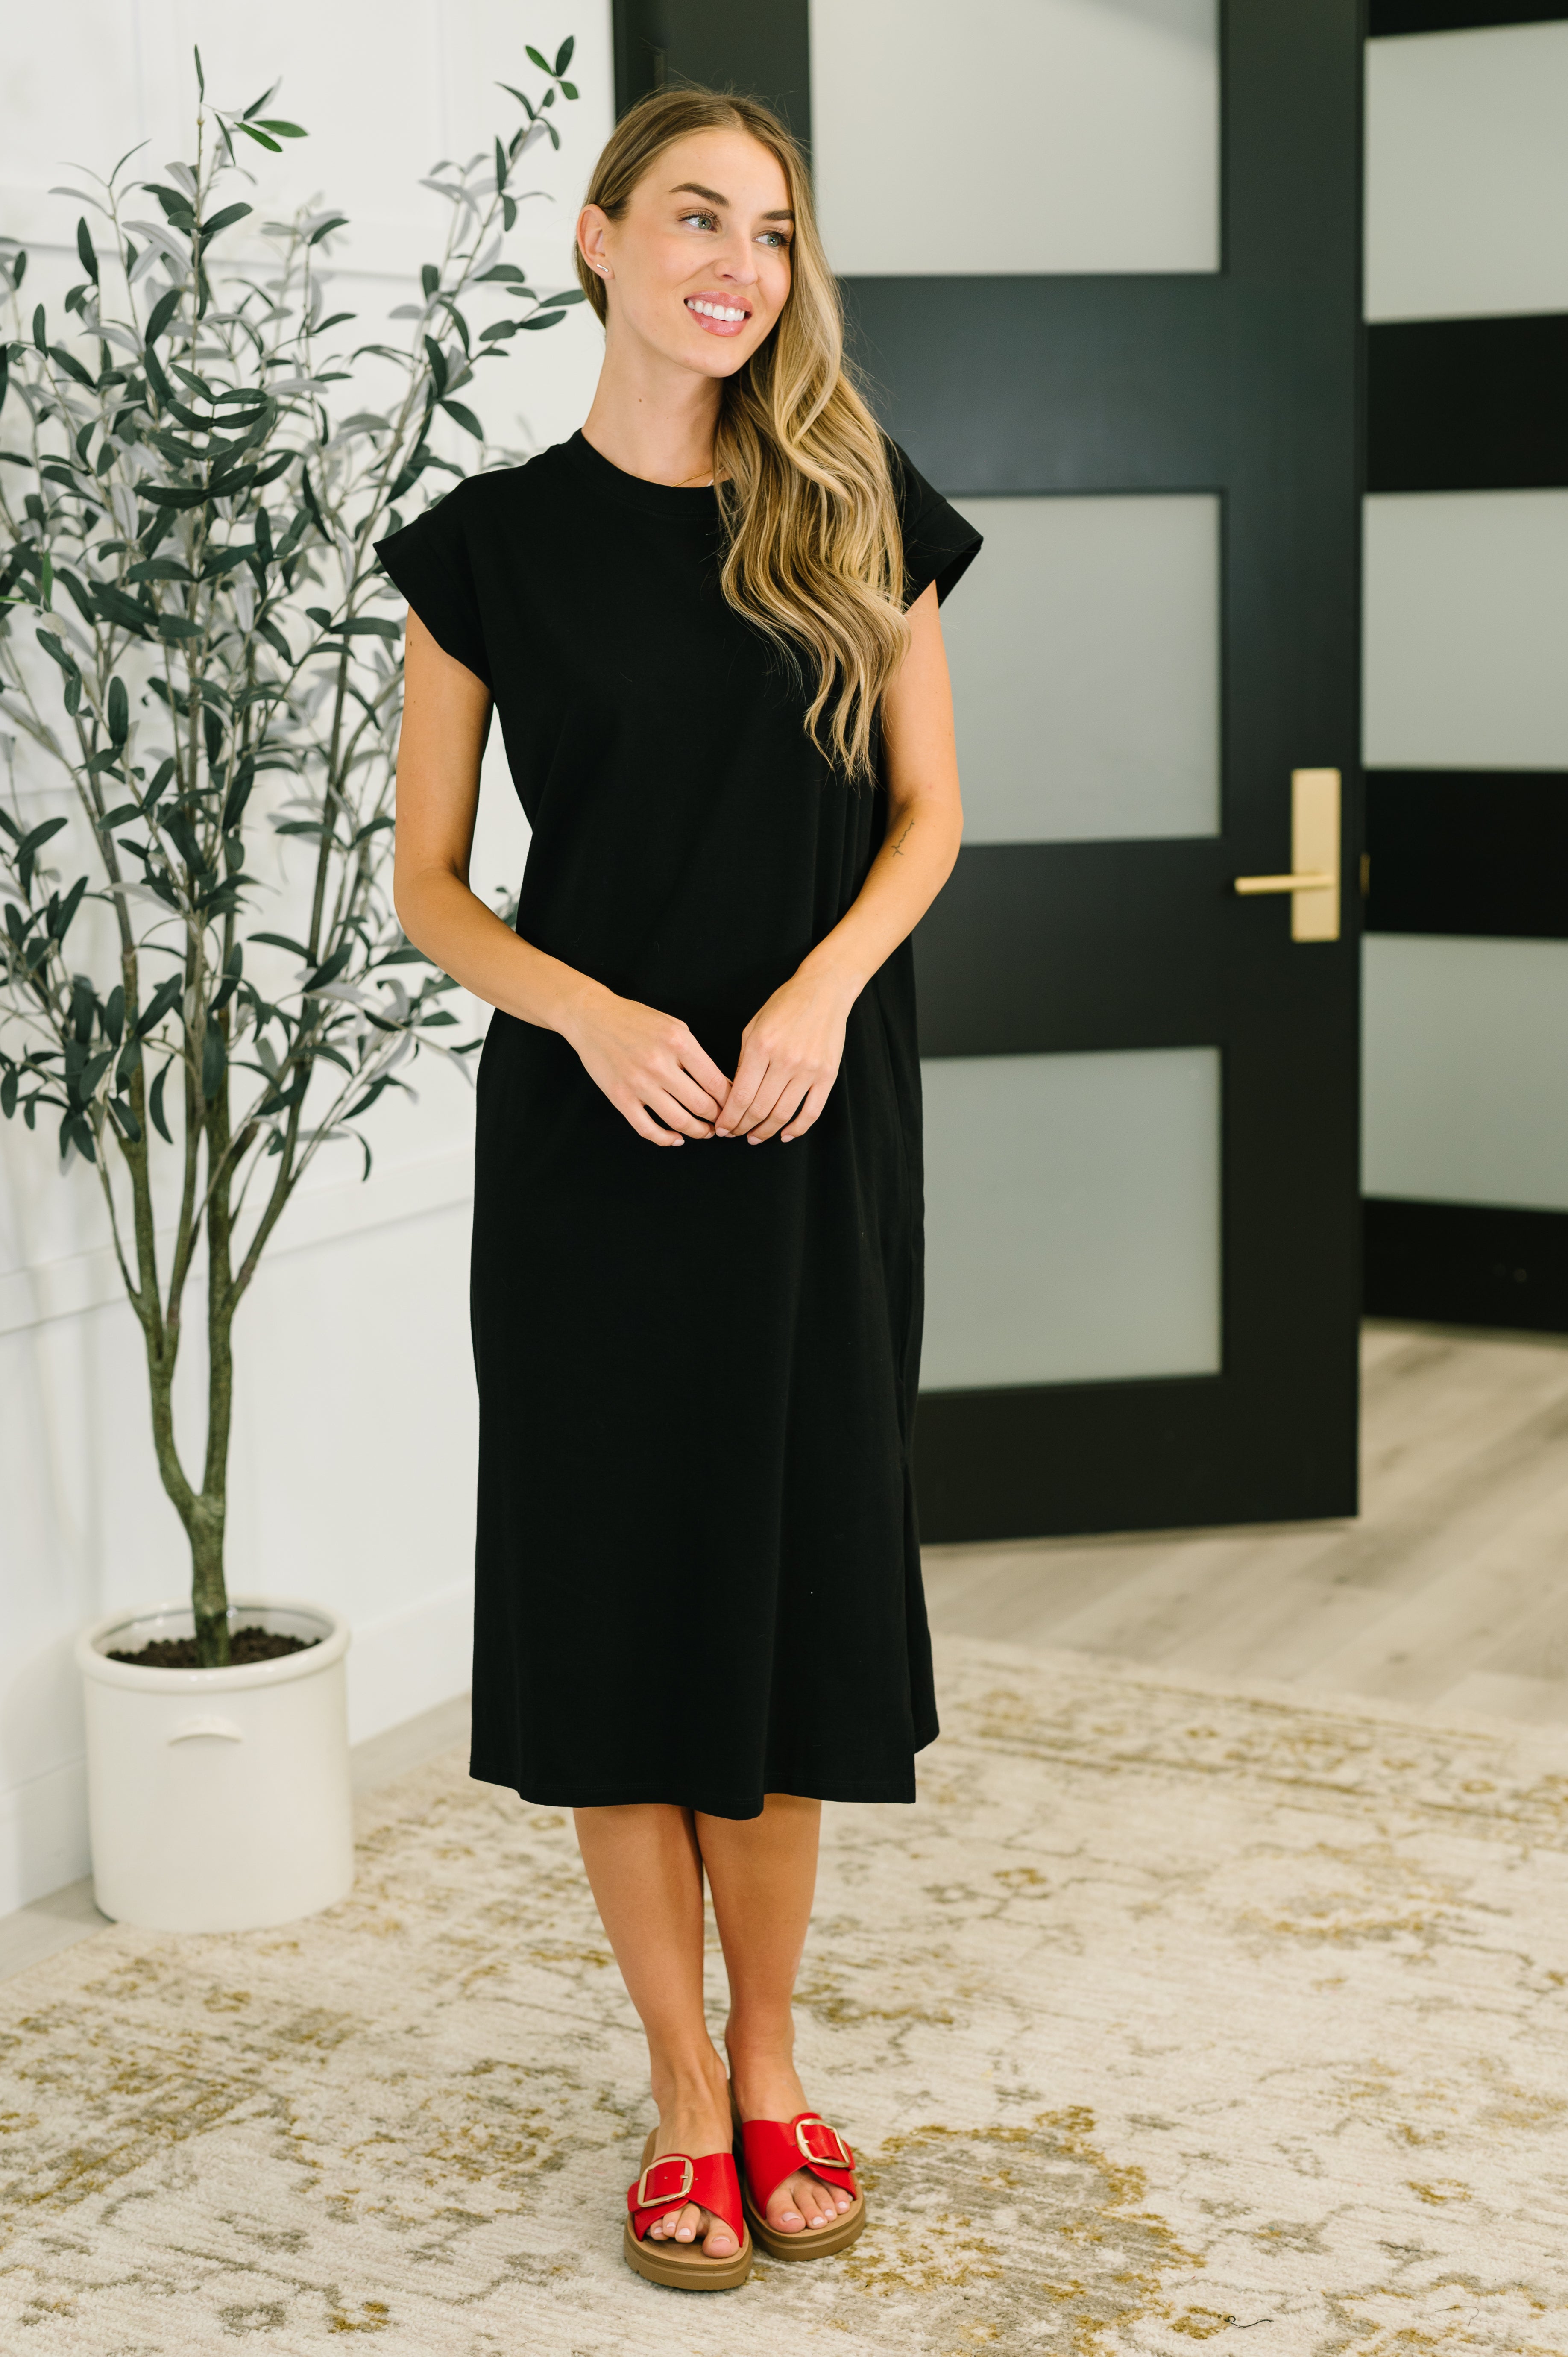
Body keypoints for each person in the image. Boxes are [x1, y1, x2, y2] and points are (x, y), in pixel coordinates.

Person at [379, 85, 981, 2292]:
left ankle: (779, 2058)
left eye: (776, 228)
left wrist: (818, 994)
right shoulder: (484, 549)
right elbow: (431, 889)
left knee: (789, 1592)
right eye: (699, 216)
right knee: (623, 1610)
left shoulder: (851, 508)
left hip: (813, 1131)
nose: (741, 259)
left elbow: (926, 817)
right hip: (592, 1150)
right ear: (599, 238)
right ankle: (673, 2090)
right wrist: (585, 1011)